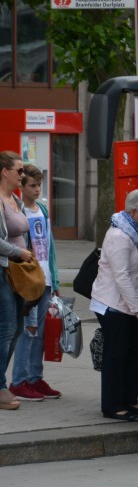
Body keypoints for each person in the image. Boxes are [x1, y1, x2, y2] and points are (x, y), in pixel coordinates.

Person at [91, 189, 138, 421]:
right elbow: (121, 276)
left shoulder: (133, 233)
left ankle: (129, 398)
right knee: (116, 355)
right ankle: (112, 405)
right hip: (113, 305)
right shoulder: (119, 236)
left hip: (128, 304)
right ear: (133, 211)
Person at [11, 165, 62, 401]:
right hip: (28, 281)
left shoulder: (42, 209)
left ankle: (35, 378)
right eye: (32, 185)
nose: (37, 189)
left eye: (39, 185)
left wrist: (56, 279)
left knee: (41, 333)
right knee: (27, 332)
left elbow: (49, 248)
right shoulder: (18, 210)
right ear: (21, 187)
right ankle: (18, 381)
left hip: (45, 279)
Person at [0, 152, 35, 410]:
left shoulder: (16, 201)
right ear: (5, 171)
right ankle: (0, 386)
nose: (22, 175)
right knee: (7, 328)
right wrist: (19, 253)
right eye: (19, 171)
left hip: (20, 273)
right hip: (4, 271)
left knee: (17, 329)